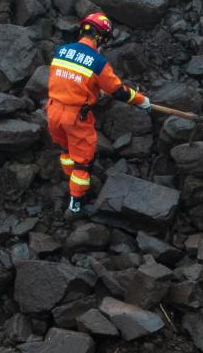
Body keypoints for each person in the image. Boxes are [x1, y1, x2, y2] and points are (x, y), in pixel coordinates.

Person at [45, 13, 150, 216]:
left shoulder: (62, 51)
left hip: (52, 110)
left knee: (65, 147)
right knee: (84, 162)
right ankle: (75, 205)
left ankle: (68, 175)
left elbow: (67, 80)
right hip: (75, 117)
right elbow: (118, 91)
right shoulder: (97, 62)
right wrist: (142, 101)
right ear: (100, 37)